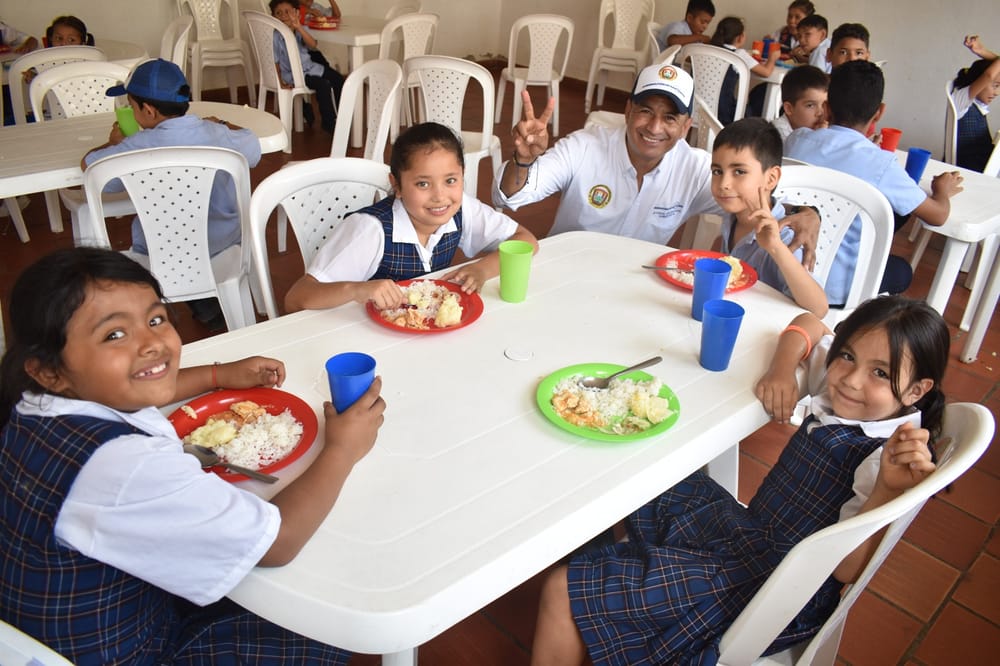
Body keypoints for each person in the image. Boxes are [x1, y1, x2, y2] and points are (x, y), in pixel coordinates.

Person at [0, 247, 386, 665]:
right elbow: (278, 544)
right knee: (328, 617)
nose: (151, 344)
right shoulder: (123, 464)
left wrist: (217, 375)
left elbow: (133, 388)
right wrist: (344, 448)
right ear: (48, 370)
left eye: (155, 319)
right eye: (114, 335)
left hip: (64, 621)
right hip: (132, 650)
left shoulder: (34, 402)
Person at [530, 294, 948, 666]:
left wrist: (887, 491)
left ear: (916, 390)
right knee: (643, 472)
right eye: (848, 356)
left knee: (562, 588)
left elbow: (844, 571)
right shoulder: (850, 391)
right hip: (746, 535)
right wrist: (783, 369)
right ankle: (621, 605)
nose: (852, 379)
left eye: (880, 373)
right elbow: (808, 323)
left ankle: (608, 601)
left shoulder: (886, 455)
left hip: (774, 589)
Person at [493, 64, 820, 264]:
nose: (654, 127)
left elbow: (750, 198)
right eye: (646, 110)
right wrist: (523, 160)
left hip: (632, 285)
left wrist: (804, 213)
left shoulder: (695, 168)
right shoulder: (585, 146)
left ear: (686, 125)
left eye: (669, 117)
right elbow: (513, 196)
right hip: (561, 268)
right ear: (628, 111)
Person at [82, 58, 262, 331]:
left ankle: (193, 300)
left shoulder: (136, 146)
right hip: (223, 244)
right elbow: (253, 147)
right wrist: (222, 123)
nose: (130, 111)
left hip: (158, 253)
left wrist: (114, 142)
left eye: (131, 106)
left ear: (149, 111)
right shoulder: (216, 133)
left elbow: (90, 167)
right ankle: (207, 299)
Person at [285, 122, 538, 313]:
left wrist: (482, 269)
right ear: (396, 185)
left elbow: (526, 240)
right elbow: (296, 299)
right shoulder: (370, 231)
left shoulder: (463, 210)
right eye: (423, 184)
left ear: (463, 175)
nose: (440, 196)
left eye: (451, 180)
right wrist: (357, 289)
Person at [785, 60, 965, 306]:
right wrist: (942, 191)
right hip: (837, 290)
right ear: (879, 112)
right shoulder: (880, 164)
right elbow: (938, 216)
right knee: (901, 270)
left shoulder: (796, 140)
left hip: (785, 271)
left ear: (826, 108)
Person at [712, 119, 827, 316]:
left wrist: (775, 247)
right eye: (717, 171)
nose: (724, 183)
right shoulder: (733, 216)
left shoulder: (786, 236)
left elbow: (819, 308)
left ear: (771, 178)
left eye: (739, 171)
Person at [270, 0, 345, 133]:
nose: (283, 16)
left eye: (287, 12)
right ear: (273, 17)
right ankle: (329, 121)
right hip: (294, 75)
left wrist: (298, 27)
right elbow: (275, 61)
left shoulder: (300, 28)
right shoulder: (276, 36)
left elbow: (313, 45)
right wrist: (280, 81)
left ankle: (343, 116)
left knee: (339, 79)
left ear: (296, 12)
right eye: (278, 13)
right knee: (323, 85)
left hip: (310, 67)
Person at [710, 16, 781, 125]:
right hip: (724, 112)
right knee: (751, 110)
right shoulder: (739, 54)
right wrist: (772, 58)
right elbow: (766, 72)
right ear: (740, 37)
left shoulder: (708, 49)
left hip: (700, 107)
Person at [951, 35, 1000, 173]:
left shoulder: (979, 104)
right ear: (979, 81)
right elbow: (989, 75)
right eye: (995, 86)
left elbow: (992, 75)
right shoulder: (962, 100)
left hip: (983, 167)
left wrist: (983, 51)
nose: (997, 92)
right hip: (970, 171)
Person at [772, 64, 828, 141]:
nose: (820, 113)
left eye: (824, 105)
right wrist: (818, 137)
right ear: (789, 109)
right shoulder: (777, 135)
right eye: (810, 105)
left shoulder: (818, 129)